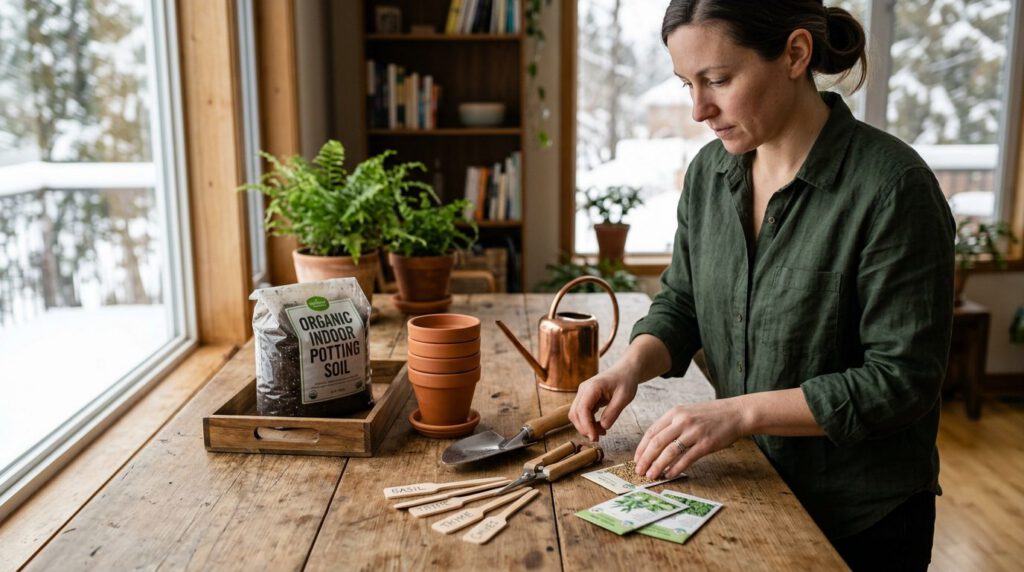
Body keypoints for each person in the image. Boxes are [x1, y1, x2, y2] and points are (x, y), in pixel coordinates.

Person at [568, 1, 954, 569]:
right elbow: (682, 302)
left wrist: (739, 413)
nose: (699, 109)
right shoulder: (707, 174)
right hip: (747, 491)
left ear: (796, 53)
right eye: (686, 84)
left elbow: (901, 381)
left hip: (861, 520)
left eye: (718, 80)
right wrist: (629, 368)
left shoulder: (894, 188)